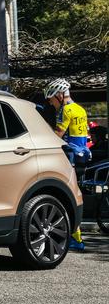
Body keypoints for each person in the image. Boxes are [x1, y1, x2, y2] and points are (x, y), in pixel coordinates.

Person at [44, 78, 89, 251]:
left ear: (59, 95)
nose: (50, 102)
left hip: (69, 156)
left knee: (68, 195)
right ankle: (76, 238)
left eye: (51, 99)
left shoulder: (65, 110)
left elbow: (58, 134)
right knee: (75, 194)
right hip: (82, 156)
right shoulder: (80, 109)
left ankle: (76, 239)